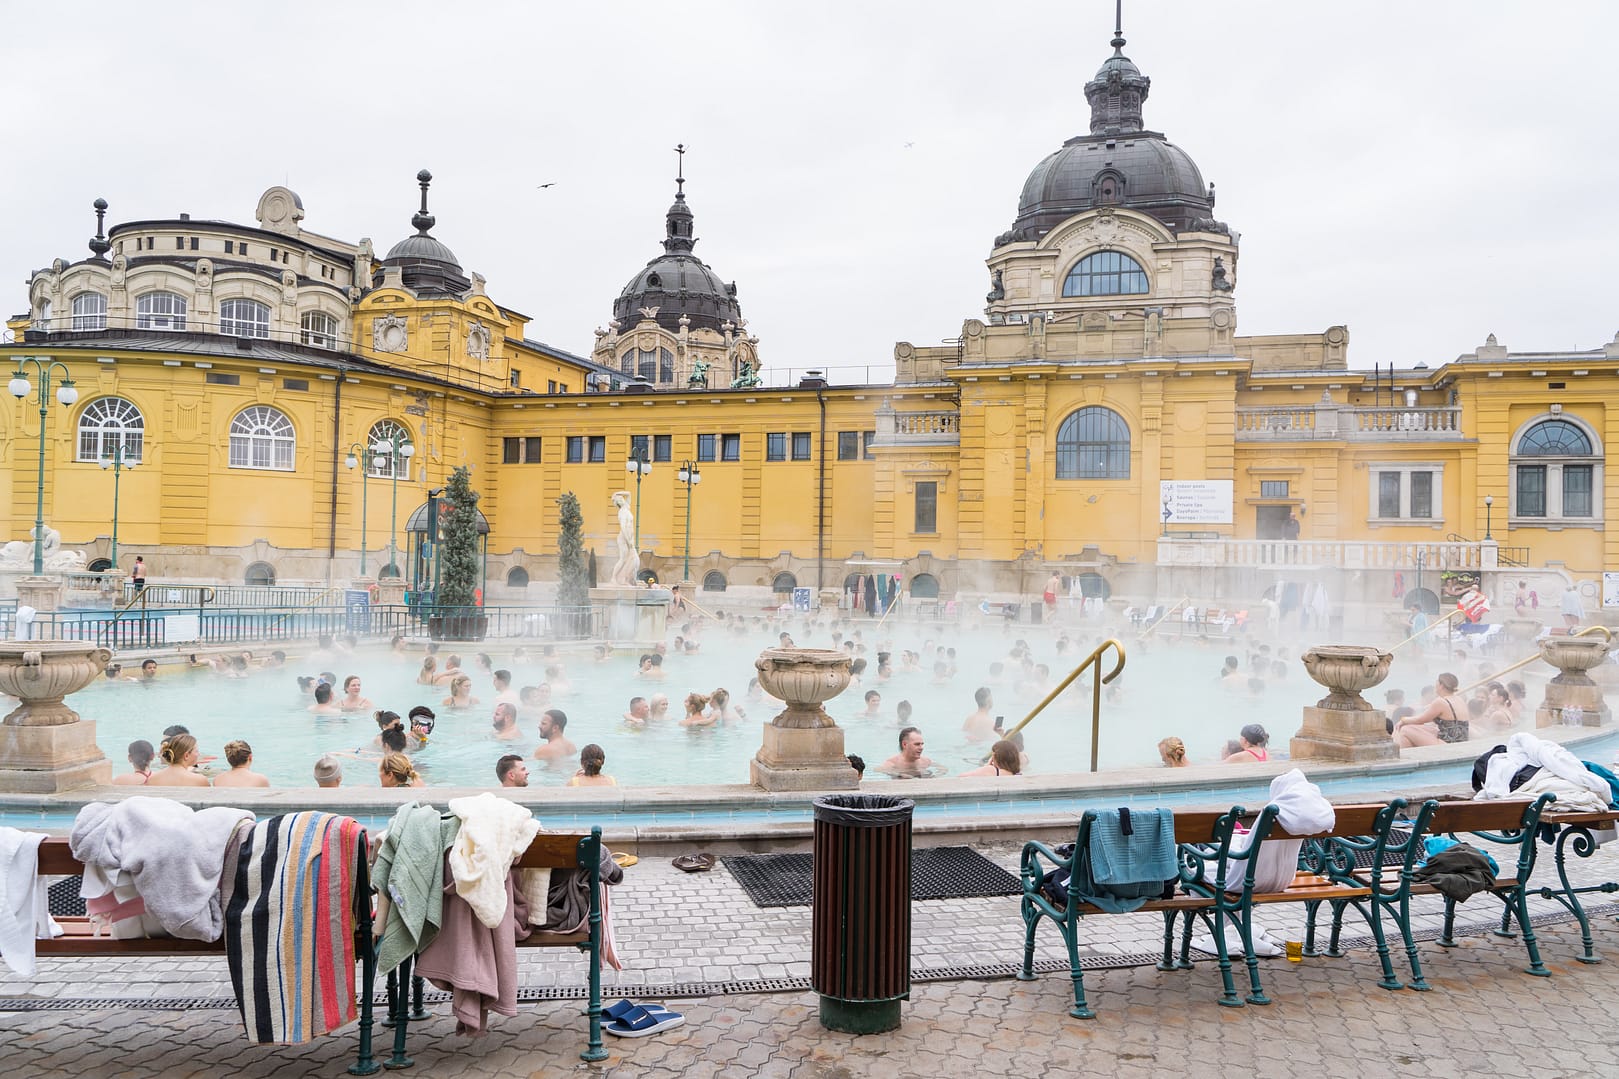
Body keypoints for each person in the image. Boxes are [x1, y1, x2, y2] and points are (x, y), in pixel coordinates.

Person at [1393, 672, 1467, 747]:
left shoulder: (1441, 702)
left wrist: (1403, 720)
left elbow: (1420, 720)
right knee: (1417, 728)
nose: (1435, 686)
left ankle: (1409, 756)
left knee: (1405, 730)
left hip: (1449, 744)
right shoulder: (1459, 699)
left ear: (1441, 686)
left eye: (1436, 683)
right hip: (1460, 740)